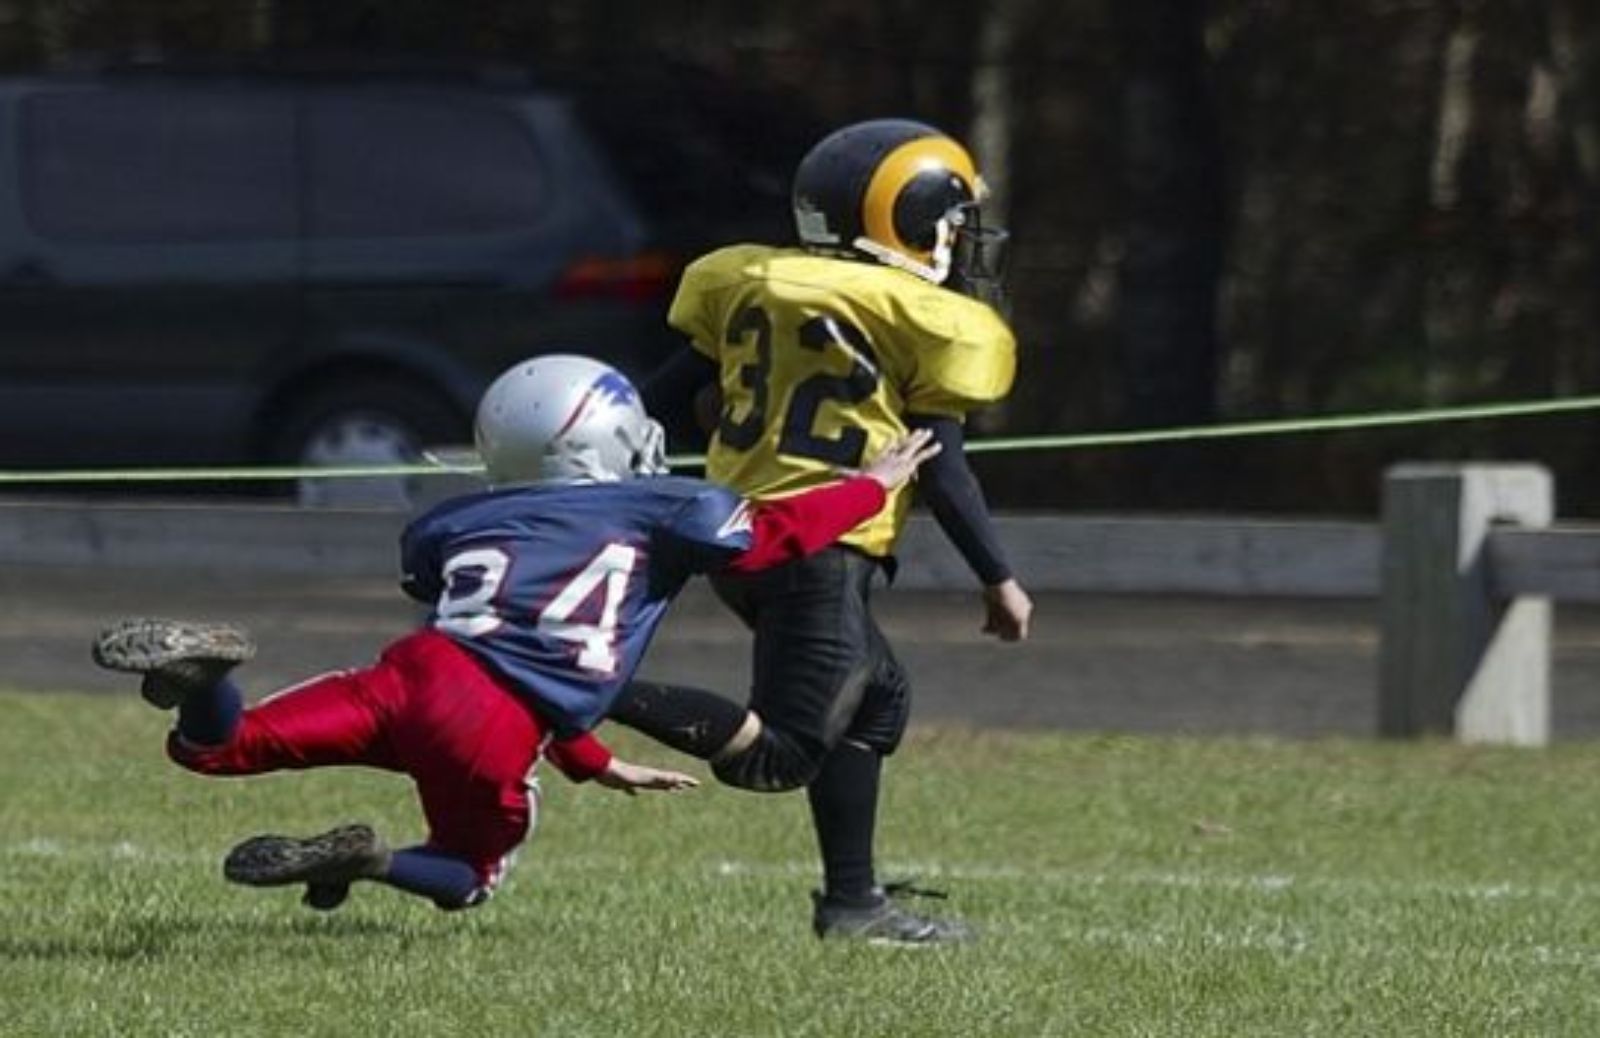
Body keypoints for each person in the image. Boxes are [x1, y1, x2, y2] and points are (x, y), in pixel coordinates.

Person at [91, 353, 939, 913]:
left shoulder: (460, 519)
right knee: (469, 875)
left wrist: (595, 759)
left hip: (413, 671)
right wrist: (869, 487)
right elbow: (772, 540)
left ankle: (205, 682)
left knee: (215, 747)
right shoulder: (664, 508)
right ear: (607, 440)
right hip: (491, 721)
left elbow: (506, 642)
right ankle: (376, 862)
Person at [612, 118, 1034, 945]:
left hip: (739, 538)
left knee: (878, 699)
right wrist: (998, 575)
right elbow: (941, 466)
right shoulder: (915, 314)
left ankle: (854, 901)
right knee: (782, 751)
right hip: (821, 547)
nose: (961, 237)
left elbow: (659, 395)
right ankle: (581, 692)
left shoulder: (753, 278)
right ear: (907, 221)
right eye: (952, 220)